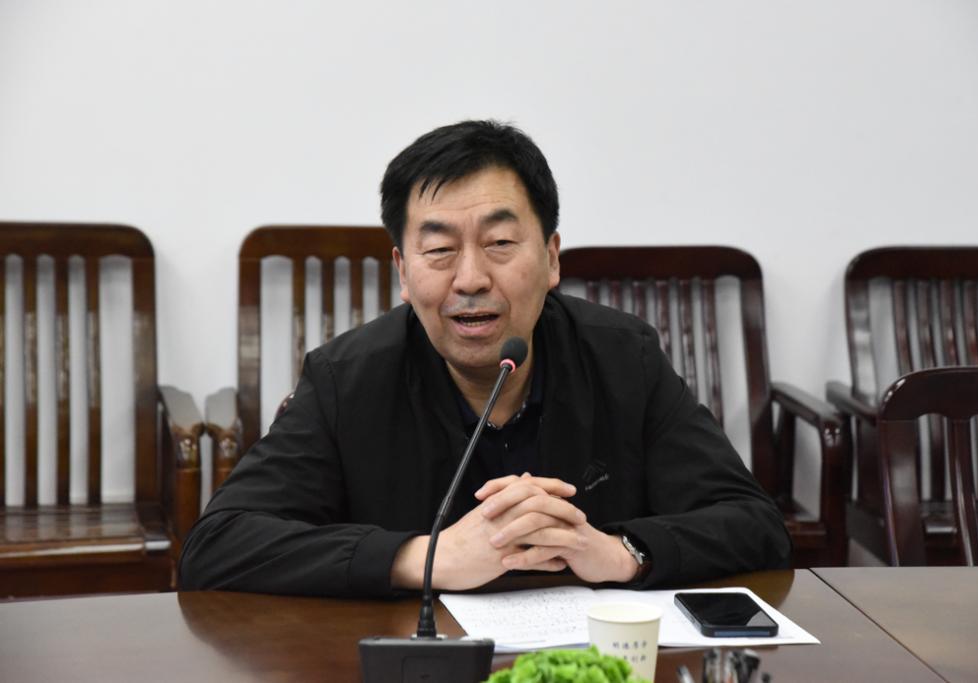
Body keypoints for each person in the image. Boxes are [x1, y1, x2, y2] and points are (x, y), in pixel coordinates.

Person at [178, 120, 790, 597]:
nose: (470, 278)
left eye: (499, 242)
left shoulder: (622, 358)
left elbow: (753, 523)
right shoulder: (347, 379)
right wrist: (425, 558)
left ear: (551, 258)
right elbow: (216, 546)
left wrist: (618, 551)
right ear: (403, 271)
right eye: (439, 249)